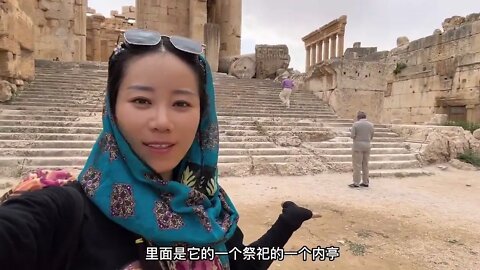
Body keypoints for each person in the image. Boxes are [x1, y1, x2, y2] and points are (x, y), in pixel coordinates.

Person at [0, 29, 315, 270]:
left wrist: (286, 225)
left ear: (202, 117)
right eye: (141, 101)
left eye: (181, 103)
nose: (162, 121)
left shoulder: (207, 207)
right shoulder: (65, 212)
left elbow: (240, 264)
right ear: (113, 109)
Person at [349, 111, 375, 188]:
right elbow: (372, 136)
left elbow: (352, 136)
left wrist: (351, 131)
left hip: (358, 146)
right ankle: (365, 182)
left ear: (358, 117)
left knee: (357, 165)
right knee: (365, 165)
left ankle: (356, 182)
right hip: (367, 145)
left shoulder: (356, 124)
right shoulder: (371, 125)